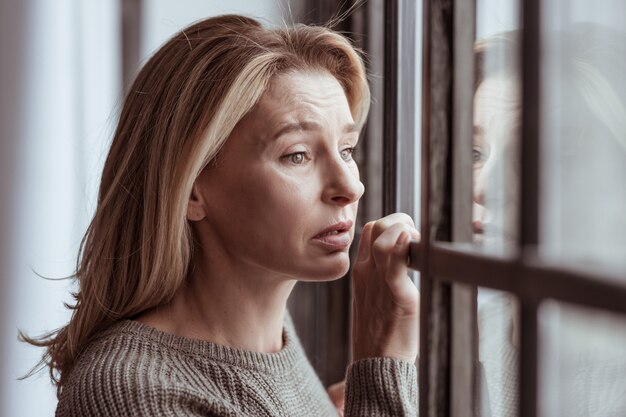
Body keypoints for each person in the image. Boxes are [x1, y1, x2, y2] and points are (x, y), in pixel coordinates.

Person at [21, 14, 420, 417]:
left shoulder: (268, 337)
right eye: (297, 155)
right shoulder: (134, 393)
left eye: (346, 149)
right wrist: (381, 373)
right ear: (191, 189)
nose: (350, 187)